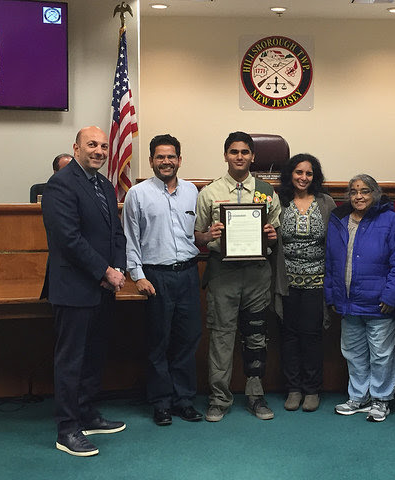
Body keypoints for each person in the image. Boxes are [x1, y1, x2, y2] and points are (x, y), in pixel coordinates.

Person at [41, 126, 127, 457]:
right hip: (74, 288)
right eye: (92, 144)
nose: (100, 151)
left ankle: (87, 414)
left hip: (103, 288)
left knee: (93, 356)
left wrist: (117, 269)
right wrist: (104, 271)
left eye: (104, 146)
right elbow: (68, 239)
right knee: (71, 361)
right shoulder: (60, 185)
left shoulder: (104, 185)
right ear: (76, 148)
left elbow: (115, 234)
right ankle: (67, 429)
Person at [194, 131, 281, 421]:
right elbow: (196, 236)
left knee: (256, 335)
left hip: (257, 274)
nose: (240, 157)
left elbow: (276, 234)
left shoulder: (267, 192)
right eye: (234, 152)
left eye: (245, 152)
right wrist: (208, 235)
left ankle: (256, 396)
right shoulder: (210, 192)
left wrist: (271, 235)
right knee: (221, 336)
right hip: (224, 273)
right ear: (225, 155)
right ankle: (219, 399)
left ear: (253, 156)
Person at [122, 134, 203, 426]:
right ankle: (161, 402)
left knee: (188, 339)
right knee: (159, 341)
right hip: (156, 276)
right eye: (160, 157)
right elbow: (130, 238)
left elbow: (195, 235)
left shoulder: (193, 191)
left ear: (179, 160)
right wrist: (138, 275)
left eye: (171, 157)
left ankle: (184, 401)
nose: (166, 162)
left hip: (189, 274)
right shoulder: (138, 194)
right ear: (152, 160)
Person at [325, 174, 395, 422]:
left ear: (376, 194)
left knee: (381, 354)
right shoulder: (339, 219)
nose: (358, 196)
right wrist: (331, 294)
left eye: (365, 191)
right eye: (353, 191)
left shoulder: (391, 221)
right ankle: (358, 397)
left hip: (380, 302)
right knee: (353, 352)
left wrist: (392, 295)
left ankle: (381, 400)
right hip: (348, 302)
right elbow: (331, 261)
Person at [277, 154, 336, 412]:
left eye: (309, 173)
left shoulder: (326, 202)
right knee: (288, 336)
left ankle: (312, 390)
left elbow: (336, 241)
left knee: (311, 336)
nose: (303, 178)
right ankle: (293, 389)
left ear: (315, 177)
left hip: (316, 280)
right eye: (298, 172)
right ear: (291, 174)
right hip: (286, 280)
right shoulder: (279, 201)